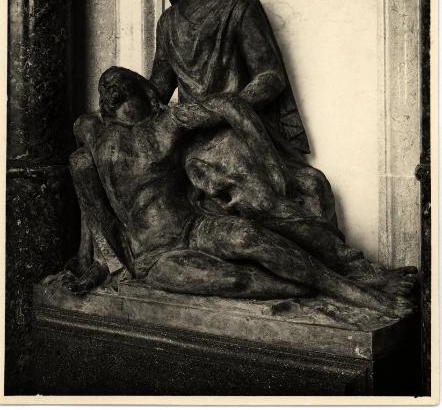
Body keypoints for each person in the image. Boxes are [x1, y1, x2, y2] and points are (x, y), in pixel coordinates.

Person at [64, 66, 415, 319]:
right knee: (235, 279)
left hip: (194, 227)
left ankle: (361, 294)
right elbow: (87, 190)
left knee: (250, 237)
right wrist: (94, 259)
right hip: (155, 256)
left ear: (147, 94)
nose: (115, 99)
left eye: (124, 92)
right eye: (109, 96)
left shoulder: (165, 125)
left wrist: (271, 162)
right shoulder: (92, 130)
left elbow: (230, 105)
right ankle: (320, 288)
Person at [148, 0, 335, 227]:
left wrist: (224, 111)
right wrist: (123, 95)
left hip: (234, 128)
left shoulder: (238, 4)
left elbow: (270, 77)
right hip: (190, 135)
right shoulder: (169, 22)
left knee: (291, 188)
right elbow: (158, 89)